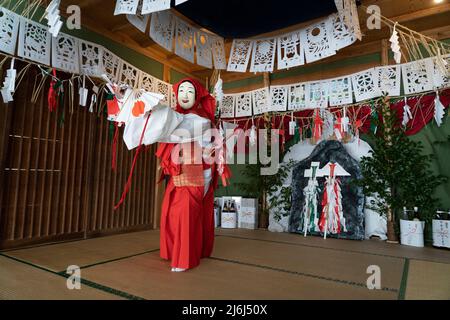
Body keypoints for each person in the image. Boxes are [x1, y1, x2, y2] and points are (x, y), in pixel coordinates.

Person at [121, 78, 231, 272]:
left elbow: (171, 127)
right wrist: (132, 102)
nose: (185, 95)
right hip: (182, 170)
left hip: (196, 171)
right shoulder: (182, 115)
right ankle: (175, 251)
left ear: (197, 96)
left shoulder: (200, 119)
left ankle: (184, 259)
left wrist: (143, 108)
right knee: (171, 211)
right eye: (181, 91)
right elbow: (169, 124)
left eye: (190, 91)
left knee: (184, 214)